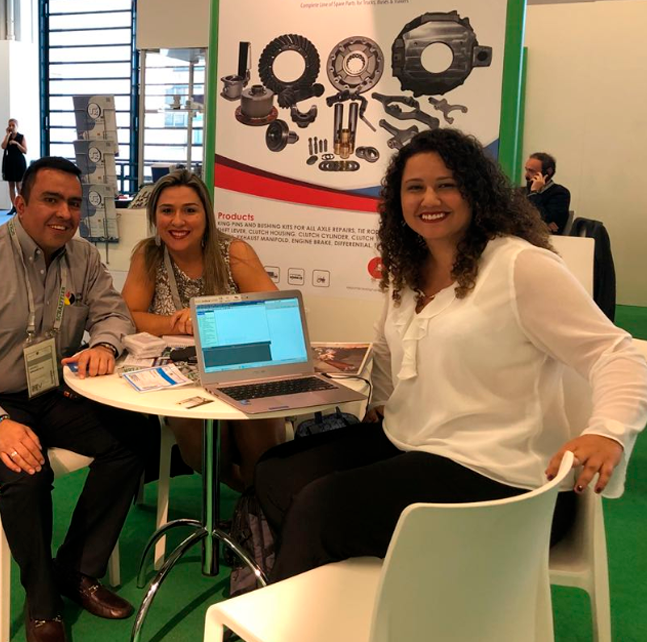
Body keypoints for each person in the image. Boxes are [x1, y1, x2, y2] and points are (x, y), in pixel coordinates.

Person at [254, 128, 647, 583]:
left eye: (446, 185)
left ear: (476, 191)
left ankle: (317, 604)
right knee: (276, 473)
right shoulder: (409, 267)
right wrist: (379, 401)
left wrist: (607, 432)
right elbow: (385, 348)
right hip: (413, 442)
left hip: (503, 476)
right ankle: (347, 590)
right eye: (414, 188)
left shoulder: (519, 266)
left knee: (321, 507)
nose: (429, 199)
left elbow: (616, 352)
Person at [0, 157, 146, 642]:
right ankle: (43, 602)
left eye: (73, 203)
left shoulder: (83, 257)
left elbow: (115, 314)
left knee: (134, 437)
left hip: (46, 392)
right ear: (20, 202)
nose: (64, 213)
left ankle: (76, 569)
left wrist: (104, 345)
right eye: (51, 200)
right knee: (28, 474)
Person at [122, 170, 285, 491]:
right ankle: (247, 494)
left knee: (257, 423)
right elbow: (129, 316)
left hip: (239, 366)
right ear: (154, 216)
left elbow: (275, 312)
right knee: (202, 434)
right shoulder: (148, 254)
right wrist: (175, 323)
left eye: (190, 210)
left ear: (206, 215)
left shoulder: (233, 252)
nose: (177, 221)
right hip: (178, 376)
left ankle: (259, 500)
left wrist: (208, 320)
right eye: (167, 210)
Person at [525, 152, 571, 233]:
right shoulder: (522, 191)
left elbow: (543, 218)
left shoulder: (560, 193)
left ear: (548, 172)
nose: (526, 175)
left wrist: (534, 193)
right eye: (526, 170)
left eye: (531, 171)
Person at [2, 118, 28, 215]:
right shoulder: (8, 136)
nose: (11, 127)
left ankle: (21, 205)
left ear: (17, 126)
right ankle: (14, 206)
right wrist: (7, 135)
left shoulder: (21, 137)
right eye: (9, 125)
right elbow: (3, 146)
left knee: (19, 185)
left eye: (13, 125)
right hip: (10, 162)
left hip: (19, 161)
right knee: (11, 185)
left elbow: (25, 151)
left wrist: (16, 143)